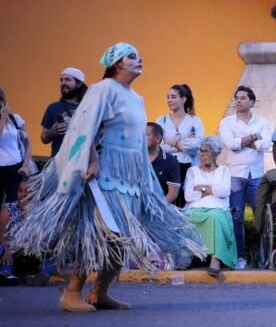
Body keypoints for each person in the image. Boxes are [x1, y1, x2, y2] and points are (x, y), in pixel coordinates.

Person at [10, 43, 205, 313]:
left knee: (122, 236)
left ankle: (100, 292)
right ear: (116, 64)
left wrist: (144, 177)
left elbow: (138, 141)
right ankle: (73, 292)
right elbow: (84, 125)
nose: (140, 60)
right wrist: (91, 158)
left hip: (131, 177)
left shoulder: (136, 98)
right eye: (132, 56)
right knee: (103, 232)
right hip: (107, 174)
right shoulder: (102, 90)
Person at [219, 86, 273, 269]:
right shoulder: (227, 122)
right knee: (236, 217)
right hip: (235, 174)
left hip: (256, 175)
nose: (239, 101)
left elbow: (265, 144)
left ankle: (262, 255)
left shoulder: (263, 122)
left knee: (260, 217)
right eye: (237, 98)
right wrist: (253, 137)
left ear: (252, 102)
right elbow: (230, 144)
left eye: (243, 98)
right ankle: (240, 256)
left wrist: (243, 140)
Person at [183, 136, 237, 277]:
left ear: (215, 154)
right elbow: (188, 196)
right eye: (200, 151)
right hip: (195, 208)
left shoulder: (224, 171)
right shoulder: (192, 171)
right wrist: (212, 191)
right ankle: (186, 258)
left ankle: (216, 260)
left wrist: (201, 189)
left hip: (218, 209)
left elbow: (225, 191)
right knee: (186, 217)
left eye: (206, 151)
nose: (202, 155)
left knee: (214, 217)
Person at [0, 88, 35, 280]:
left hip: (15, 167)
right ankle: (5, 254)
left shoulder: (15, 119)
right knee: (3, 213)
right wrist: (1, 119)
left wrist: (26, 164)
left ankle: (17, 255)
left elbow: (27, 142)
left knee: (15, 209)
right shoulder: (4, 120)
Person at [157, 83, 205, 207]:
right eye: (168, 97)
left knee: (186, 200)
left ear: (183, 99)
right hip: (166, 165)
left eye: (173, 97)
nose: (169, 100)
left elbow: (196, 146)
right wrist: (184, 144)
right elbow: (159, 145)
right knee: (168, 198)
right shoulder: (161, 120)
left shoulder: (195, 121)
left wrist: (173, 142)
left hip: (188, 165)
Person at [40, 67, 88, 157]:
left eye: (67, 80)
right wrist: (51, 133)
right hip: (59, 162)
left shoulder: (89, 107)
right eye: (61, 80)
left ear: (79, 84)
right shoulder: (53, 107)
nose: (63, 83)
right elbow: (44, 139)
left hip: (82, 161)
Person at [146, 122, 181, 204]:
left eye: (146, 135)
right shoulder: (135, 159)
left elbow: (173, 194)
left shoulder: (171, 161)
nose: (141, 138)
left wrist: (158, 207)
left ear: (158, 138)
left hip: (160, 208)